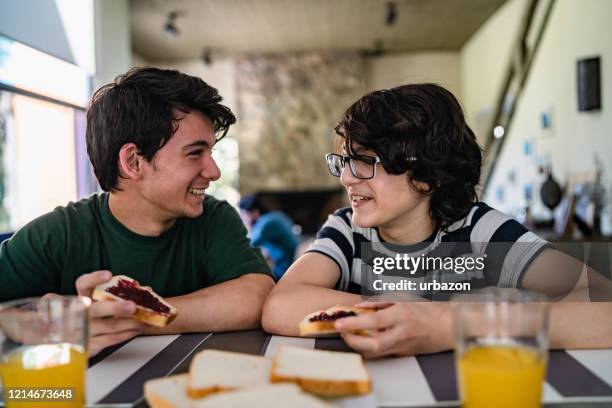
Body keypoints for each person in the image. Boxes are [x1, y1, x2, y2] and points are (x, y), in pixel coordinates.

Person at [262, 83, 612, 358]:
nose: (347, 179)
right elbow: (280, 305)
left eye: (365, 160)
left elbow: (603, 302)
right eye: (345, 162)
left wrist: (450, 324)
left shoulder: (482, 233)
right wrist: (407, 312)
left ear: (427, 175)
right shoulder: (348, 229)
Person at [0, 67, 274, 356]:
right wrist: (46, 324)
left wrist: (137, 317)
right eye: (195, 153)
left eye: (211, 153)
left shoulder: (214, 218)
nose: (214, 171)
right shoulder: (56, 235)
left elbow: (256, 296)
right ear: (133, 161)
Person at [238, 194, 299, 279]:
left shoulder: (266, 223)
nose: (242, 218)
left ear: (255, 212)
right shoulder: (278, 215)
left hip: (284, 271)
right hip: (294, 265)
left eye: (243, 214)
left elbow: (246, 245)